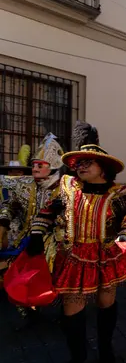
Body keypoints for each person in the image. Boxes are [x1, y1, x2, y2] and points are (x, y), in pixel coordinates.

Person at [26, 121, 126, 363]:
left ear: (105, 168)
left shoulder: (119, 195)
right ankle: (77, 358)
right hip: (74, 258)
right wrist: (36, 233)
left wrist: (125, 236)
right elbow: (45, 214)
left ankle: (106, 351)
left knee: (105, 304)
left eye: (88, 162)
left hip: (106, 257)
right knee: (72, 311)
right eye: (78, 162)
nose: (81, 165)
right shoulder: (67, 190)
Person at [0, 135, 65, 320]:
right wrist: (3, 223)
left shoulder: (65, 188)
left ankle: (63, 309)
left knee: (55, 271)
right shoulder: (25, 185)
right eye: (34, 164)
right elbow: (10, 204)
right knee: (16, 271)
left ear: (52, 167)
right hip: (26, 236)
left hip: (56, 238)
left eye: (39, 165)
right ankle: (27, 311)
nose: (34, 168)